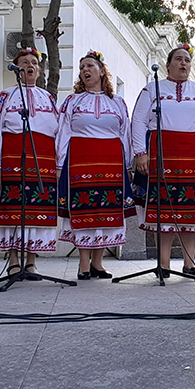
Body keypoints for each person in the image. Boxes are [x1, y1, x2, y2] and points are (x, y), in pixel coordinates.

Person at [131, 44, 195, 278]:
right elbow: (139, 121)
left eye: (187, 61)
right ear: (168, 64)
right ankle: (163, 264)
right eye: (179, 59)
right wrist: (140, 152)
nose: (184, 64)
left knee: (191, 209)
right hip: (161, 153)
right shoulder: (151, 89)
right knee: (162, 209)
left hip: (193, 155)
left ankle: (189, 262)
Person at [56, 50, 132, 280]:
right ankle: (83, 263)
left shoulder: (117, 102)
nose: (85, 71)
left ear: (101, 71)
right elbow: (63, 131)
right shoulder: (73, 100)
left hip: (110, 161)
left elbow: (125, 134)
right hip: (81, 159)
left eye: (89, 66)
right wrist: (60, 163)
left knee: (105, 209)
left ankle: (98, 263)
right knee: (84, 208)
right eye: (81, 68)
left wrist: (127, 164)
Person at [0, 47, 59, 278]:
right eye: (25, 62)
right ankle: (13, 259)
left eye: (34, 63)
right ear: (17, 69)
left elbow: (58, 132)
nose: (30, 65)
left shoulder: (47, 97)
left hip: (43, 160)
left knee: (37, 210)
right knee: (12, 209)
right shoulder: (6, 95)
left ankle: (31, 260)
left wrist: (58, 164)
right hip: (13, 157)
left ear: (39, 70)